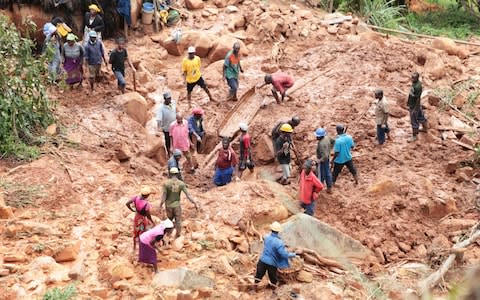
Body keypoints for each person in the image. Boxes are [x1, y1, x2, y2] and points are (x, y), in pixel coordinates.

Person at [254, 221, 297, 291]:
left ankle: (254, 288)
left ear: (271, 229)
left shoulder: (267, 238)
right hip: (271, 264)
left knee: (258, 275)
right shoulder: (279, 242)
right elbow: (283, 254)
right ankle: (274, 290)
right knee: (273, 278)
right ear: (278, 231)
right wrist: (292, 255)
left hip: (262, 261)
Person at [159, 167, 199, 237]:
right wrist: (194, 202)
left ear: (170, 174)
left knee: (169, 220)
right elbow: (188, 195)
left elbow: (164, 196)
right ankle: (178, 235)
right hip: (177, 205)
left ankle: (167, 235)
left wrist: (160, 205)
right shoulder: (181, 184)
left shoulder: (166, 184)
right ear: (177, 174)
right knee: (178, 221)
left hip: (168, 205)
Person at [125, 186, 155, 253]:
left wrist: (132, 210)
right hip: (142, 219)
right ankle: (142, 249)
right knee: (142, 233)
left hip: (137, 216)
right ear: (147, 195)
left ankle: (134, 247)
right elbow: (148, 215)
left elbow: (127, 203)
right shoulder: (146, 204)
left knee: (135, 232)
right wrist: (151, 221)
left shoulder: (136, 198)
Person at [407, 72, 427, 142]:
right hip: (415, 104)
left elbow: (418, 98)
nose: (412, 79)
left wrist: (415, 108)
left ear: (417, 78)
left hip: (414, 105)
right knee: (420, 116)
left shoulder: (418, 86)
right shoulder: (415, 83)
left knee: (414, 120)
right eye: (412, 77)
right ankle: (425, 128)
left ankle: (414, 136)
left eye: (414, 78)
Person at [156, 91, 177, 156]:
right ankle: (169, 153)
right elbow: (159, 119)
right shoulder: (161, 108)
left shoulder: (173, 103)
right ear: (165, 99)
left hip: (175, 126)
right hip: (167, 128)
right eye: (168, 98)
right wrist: (159, 128)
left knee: (175, 139)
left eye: (170, 98)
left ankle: (175, 152)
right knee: (168, 141)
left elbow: (176, 110)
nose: (170, 100)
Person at [315, 128, 334, 193]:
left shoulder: (321, 144)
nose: (316, 137)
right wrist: (330, 149)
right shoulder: (327, 137)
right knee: (327, 172)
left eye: (317, 136)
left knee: (322, 173)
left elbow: (324, 156)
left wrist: (319, 161)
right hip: (327, 158)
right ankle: (329, 187)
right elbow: (333, 141)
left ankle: (320, 187)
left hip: (323, 160)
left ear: (320, 136)